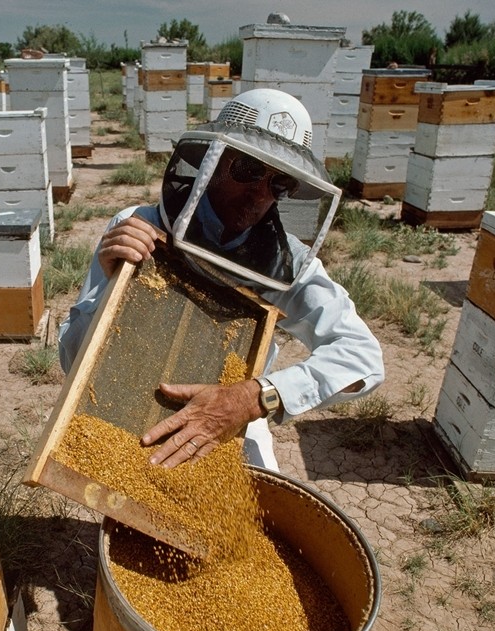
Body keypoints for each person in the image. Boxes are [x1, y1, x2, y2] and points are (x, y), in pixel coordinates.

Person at [58, 88, 384, 471]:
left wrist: (254, 398)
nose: (260, 194)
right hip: (133, 400)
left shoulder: (288, 262)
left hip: (231, 420)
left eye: (280, 184)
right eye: (249, 170)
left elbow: (364, 358)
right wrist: (111, 288)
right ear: (214, 159)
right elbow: (71, 360)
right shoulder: (139, 226)